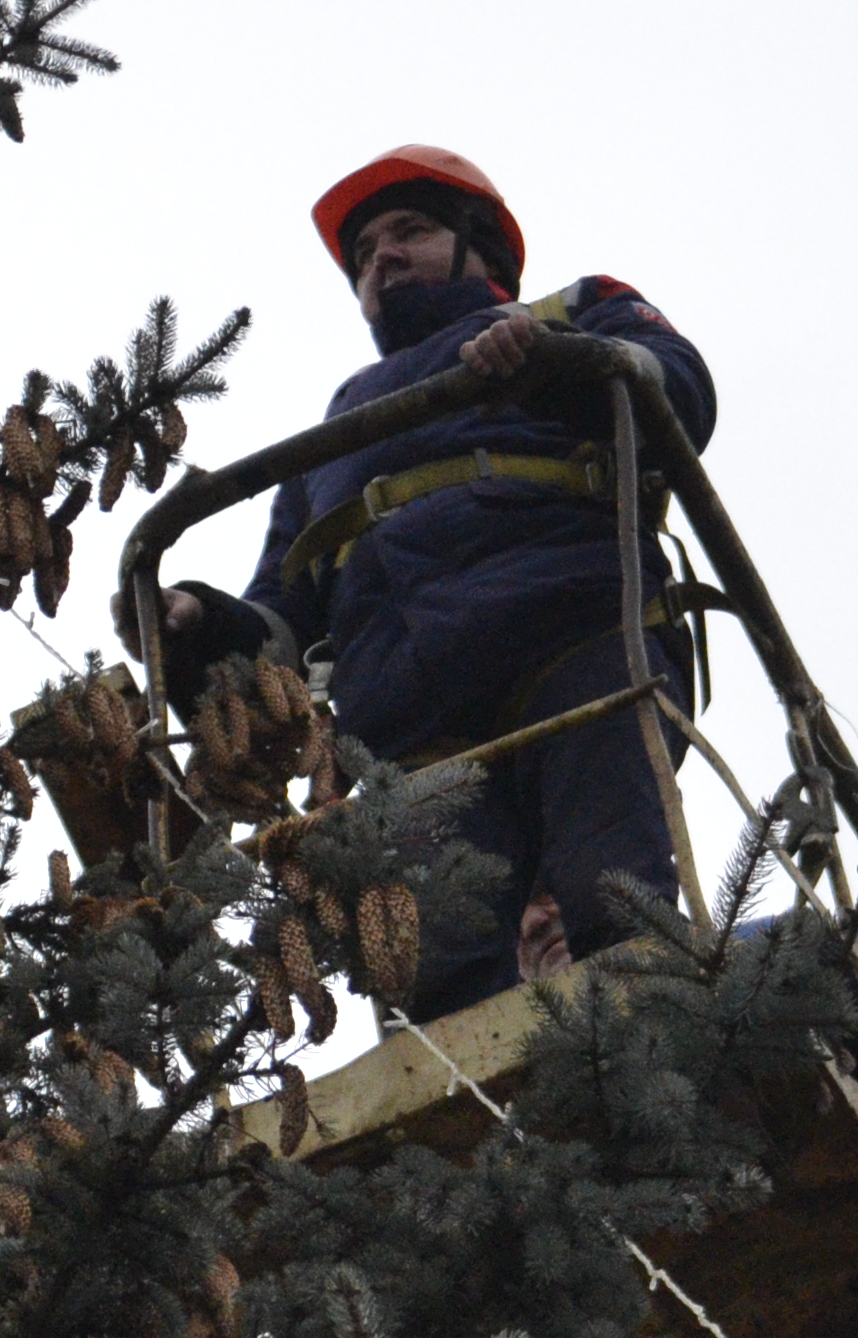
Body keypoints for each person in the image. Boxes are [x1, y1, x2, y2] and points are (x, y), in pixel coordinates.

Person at [145, 144, 715, 1010]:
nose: (382, 259)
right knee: (442, 983)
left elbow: (679, 390)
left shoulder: (580, 310)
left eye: (408, 231)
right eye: (366, 253)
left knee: (617, 903)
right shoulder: (338, 431)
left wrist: (553, 363)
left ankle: (662, 1086)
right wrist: (197, 623)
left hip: (576, 641)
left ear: (480, 245)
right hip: (414, 723)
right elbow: (283, 626)